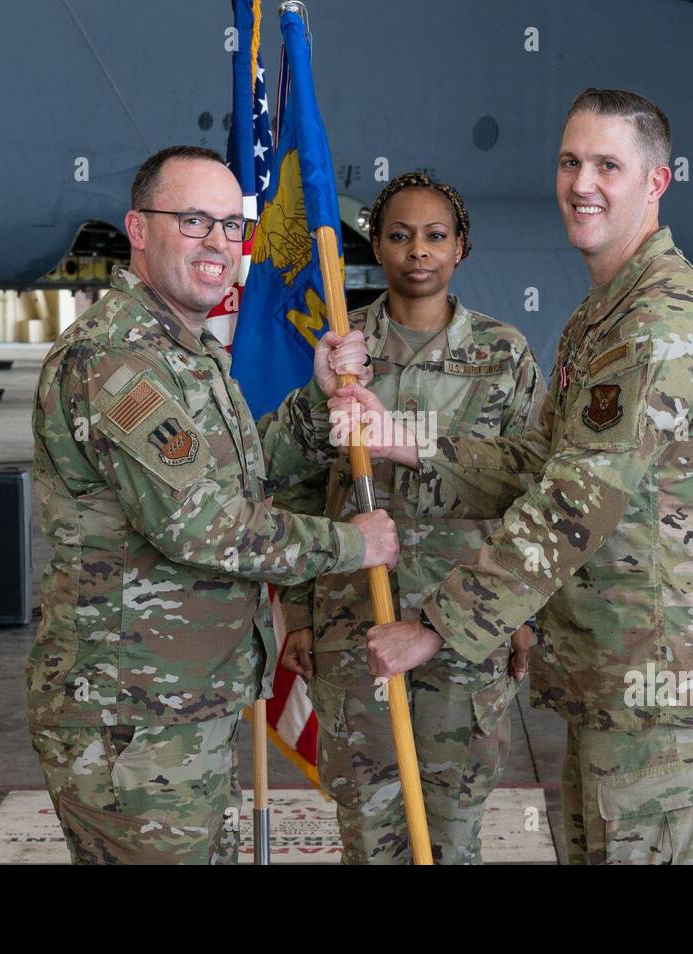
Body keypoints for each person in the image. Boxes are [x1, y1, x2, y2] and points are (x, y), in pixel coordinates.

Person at [334, 90, 693, 864]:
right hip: (613, 676)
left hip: (655, 681)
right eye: (570, 162)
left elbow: (576, 498)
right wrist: (408, 443)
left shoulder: (660, 320)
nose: (581, 183)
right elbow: (538, 461)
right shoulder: (603, 314)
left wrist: (436, 628)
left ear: (655, 183)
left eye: (607, 166)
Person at [25, 144, 398, 864]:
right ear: (138, 229)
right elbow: (204, 526)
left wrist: (318, 409)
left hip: (177, 706)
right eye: (194, 221)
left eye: (233, 227)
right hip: (132, 718)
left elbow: (235, 479)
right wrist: (354, 545)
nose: (219, 245)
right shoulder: (118, 359)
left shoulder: (183, 350)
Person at [273, 172, 544, 864]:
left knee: (453, 826)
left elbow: (534, 486)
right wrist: (299, 616)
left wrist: (522, 615)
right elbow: (297, 484)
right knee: (369, 825)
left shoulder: (503, 354)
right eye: (398, 236)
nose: (416, 251)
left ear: (461, 248)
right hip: (354, 622)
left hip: (465, 627)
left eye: (434, 236)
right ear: (377, 246)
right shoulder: (342, 353)